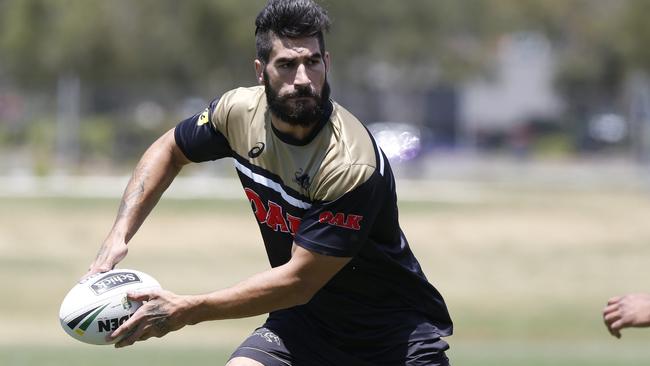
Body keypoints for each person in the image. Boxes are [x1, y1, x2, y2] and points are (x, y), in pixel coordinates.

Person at [85, 0, 453, 364]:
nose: (303, 79)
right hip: (305, 323)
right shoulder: (237, 114)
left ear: (327, 63)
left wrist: (187, 309)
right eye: (287, 65)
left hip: (391, 338)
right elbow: (170, 149)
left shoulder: (349, 163)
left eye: (312, 62)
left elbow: (299, 281)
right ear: (261, 71)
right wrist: (120, 232)